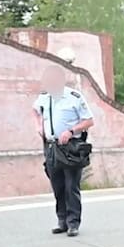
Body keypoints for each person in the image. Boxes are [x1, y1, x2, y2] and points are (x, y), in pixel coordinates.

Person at [33, 66, 95, 237]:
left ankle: (73, 222)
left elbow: (89, 121)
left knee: (71, 186)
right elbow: (35, 112)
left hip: (70, 147)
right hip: (51, 146)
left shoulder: (74, 97)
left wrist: (71, 131)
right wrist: (39, 127)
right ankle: (62, 221)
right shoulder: (44, 98)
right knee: (57, 185)